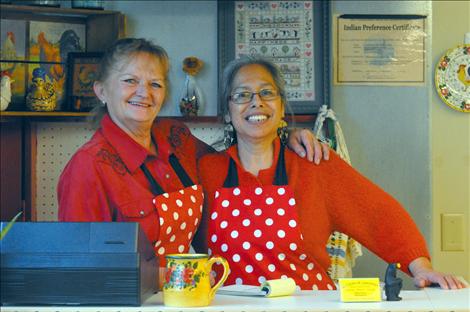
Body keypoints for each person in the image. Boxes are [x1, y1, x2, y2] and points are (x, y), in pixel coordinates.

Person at [195, 56, 466, 290]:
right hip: (228, 305)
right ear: (228, 112)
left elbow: (378, 213)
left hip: (309, 304)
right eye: (242, 95)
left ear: (280, 106)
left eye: (267, 92)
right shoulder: (205, 170)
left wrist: (421, 267)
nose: (256, 102)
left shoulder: (315, 165)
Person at [57, 38, 328, 269]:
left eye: (156, 84)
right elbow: (81, 271)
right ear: (101, 90)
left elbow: (232, 162)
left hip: (189, 296)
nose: (144, 93)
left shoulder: (176, 138)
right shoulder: (89, 166)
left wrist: (283, 134)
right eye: (130, 80)